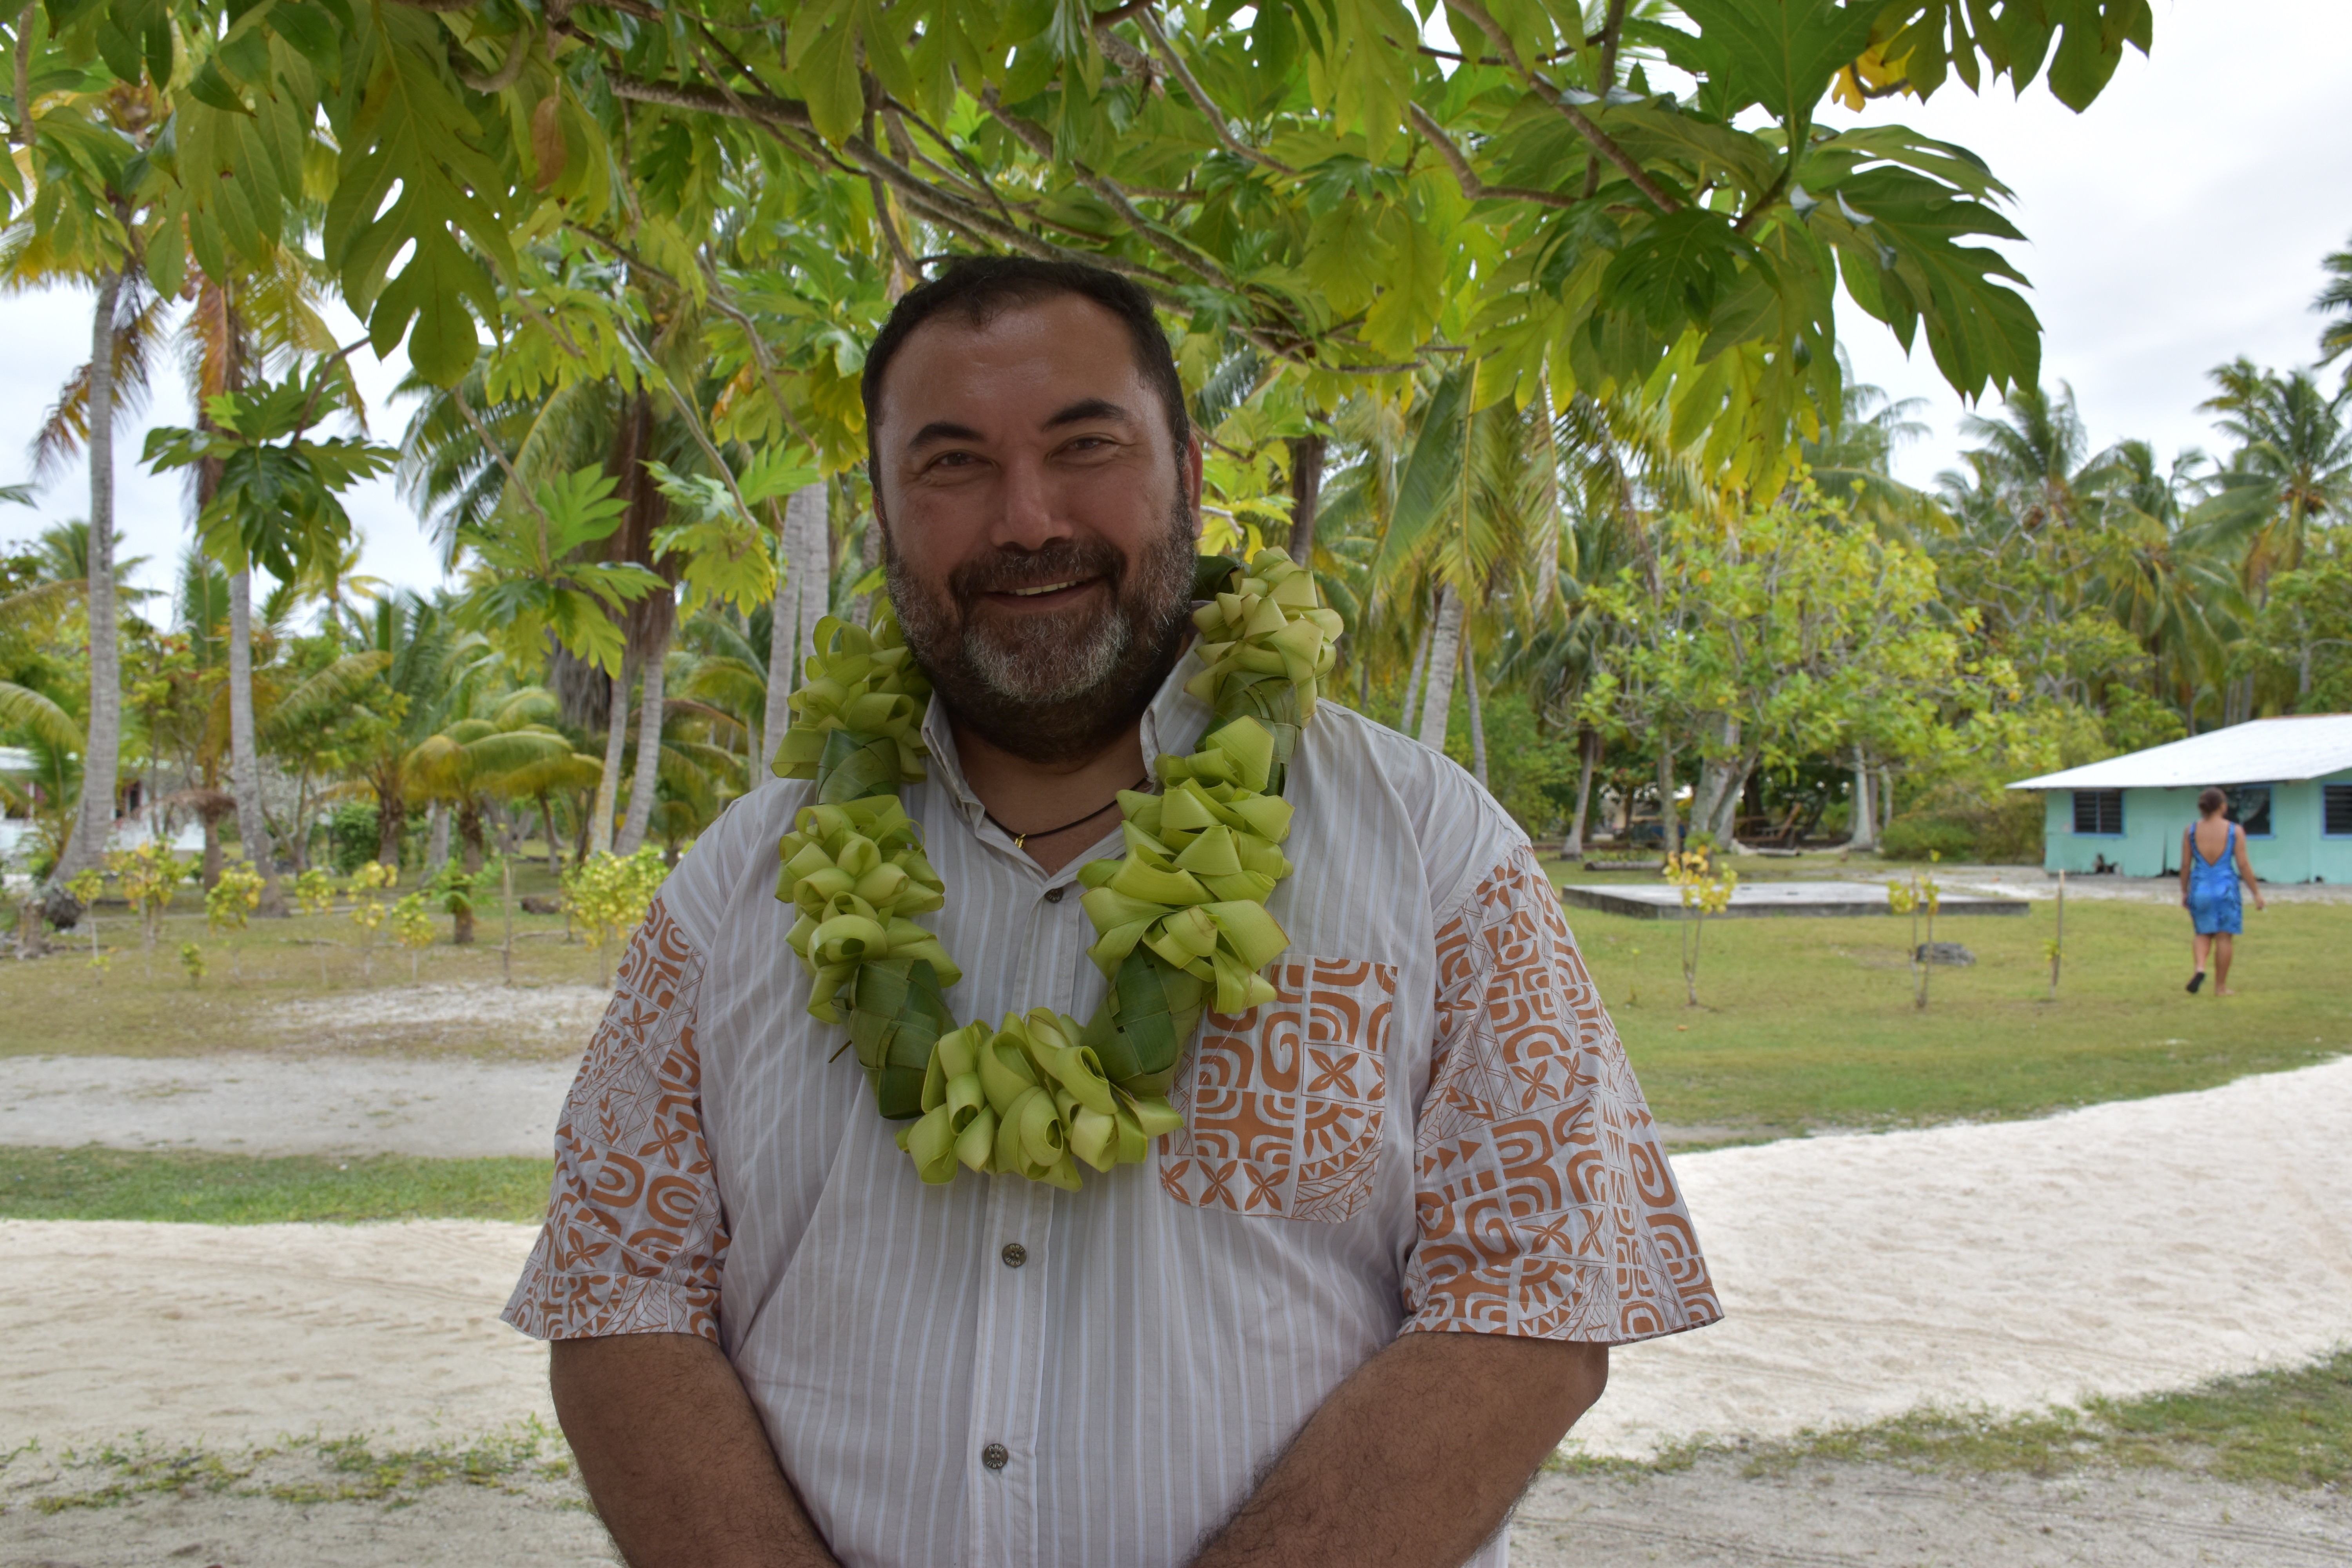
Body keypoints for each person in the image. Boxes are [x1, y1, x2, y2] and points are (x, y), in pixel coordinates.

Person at [503, 256, 1719, 1568]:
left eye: (1085, 446)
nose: (1027, 519)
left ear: (1189, 467)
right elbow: (621, 1296)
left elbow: (1532, 1303)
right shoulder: (729, 891)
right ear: (881, 509)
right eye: (953, 464)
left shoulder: (1434, 850)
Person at [2181, 786, 2265, 995]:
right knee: (2224, 938)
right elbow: (2243, 865)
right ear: (2221, 806)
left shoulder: (2191, 831)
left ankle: (2200, 968)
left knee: (2202, 933)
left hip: (2200, 887)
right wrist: (2256, 893)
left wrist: (2184, 891)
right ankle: (2220, 987)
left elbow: (2185, 865)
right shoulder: (2234, 831)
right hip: (2226, 888)